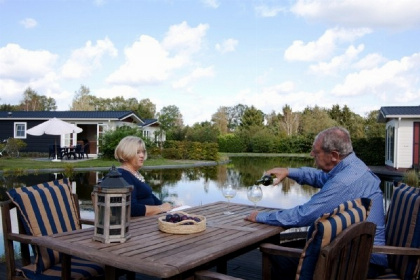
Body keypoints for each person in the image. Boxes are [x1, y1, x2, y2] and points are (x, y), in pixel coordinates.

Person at [245, 126, 387, 279]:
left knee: (278, 256)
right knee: (284, 249)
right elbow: (320, 177)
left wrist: (260, 217)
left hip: (362, 262)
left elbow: (304, 215)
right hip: (356, 250)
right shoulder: (353, 167)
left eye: (316, 151)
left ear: (333, 155)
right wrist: (288, 171)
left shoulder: (345, 182)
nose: (311, 154)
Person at [114, 136, 173, 216]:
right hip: (138, 224)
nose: (142, 155)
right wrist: (161, 208)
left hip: (148, 219)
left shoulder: (134, 173)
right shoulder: (124, 175)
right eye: (138, 152)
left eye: (143, 152)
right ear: (127, 153)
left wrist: (170, 207)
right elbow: (132, 208)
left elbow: (149, 195)